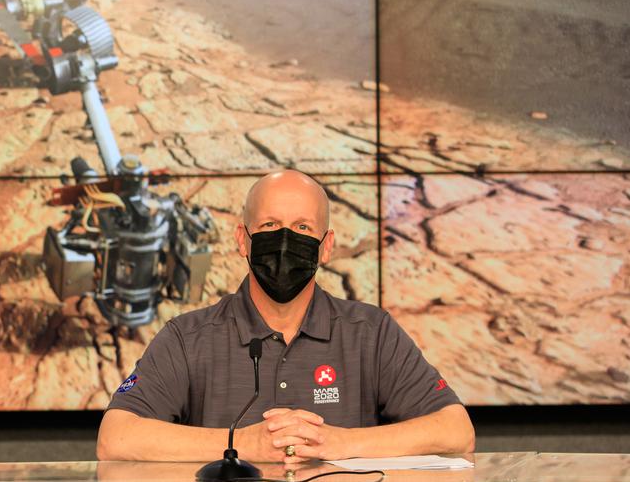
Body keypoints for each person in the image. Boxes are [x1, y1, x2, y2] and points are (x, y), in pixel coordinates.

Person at [97, 169, 474, 465]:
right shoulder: (188, 336)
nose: (284, 240)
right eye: (270, 225)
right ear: (242, 240)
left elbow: (456, 430)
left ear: (326, 247)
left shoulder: (371, 333)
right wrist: (241, 443)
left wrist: (341, 442)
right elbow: (116, 438)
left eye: (302, 228)